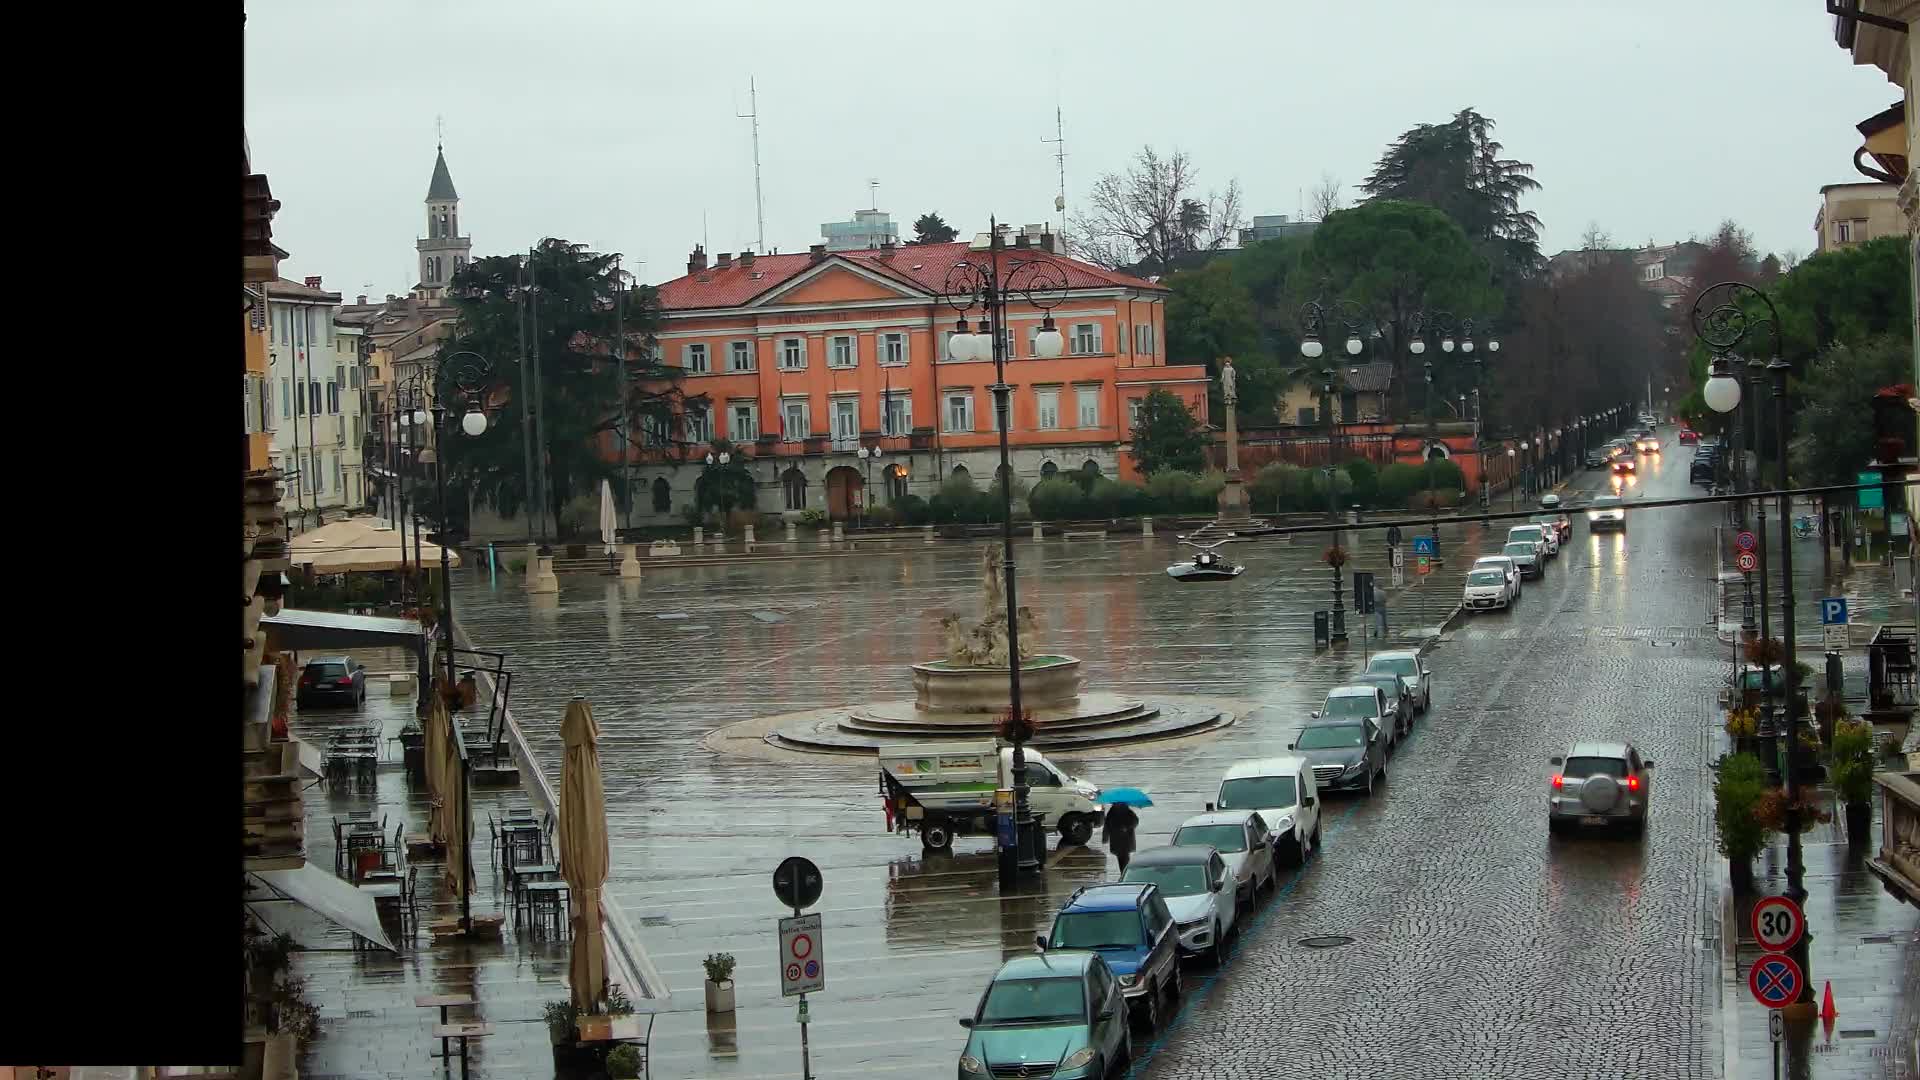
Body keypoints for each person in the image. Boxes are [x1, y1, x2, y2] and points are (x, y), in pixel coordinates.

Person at [1101, 802, 1139, 874]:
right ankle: (1125, 874)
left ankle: (1124, 874)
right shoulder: (1128, 812)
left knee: (1122, 859)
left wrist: (1105, 838)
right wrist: (1127, 827)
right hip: (1124, 841)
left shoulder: (1111, 813)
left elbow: (1107, 826)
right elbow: (1135, 821)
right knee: (1124, 859)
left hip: (1119, 841)